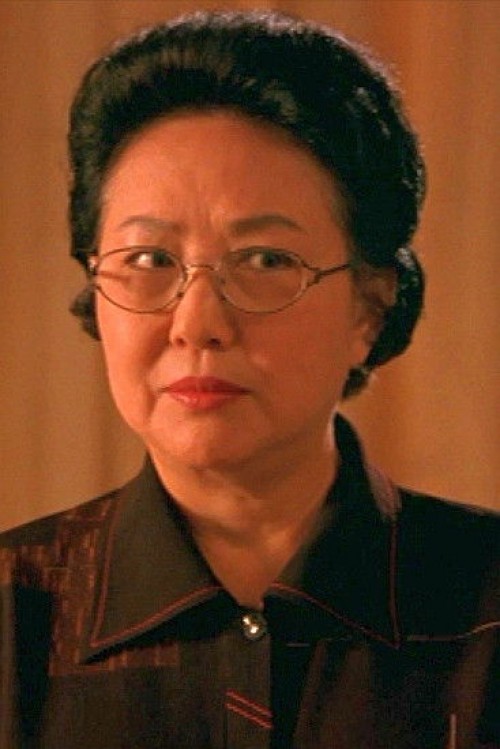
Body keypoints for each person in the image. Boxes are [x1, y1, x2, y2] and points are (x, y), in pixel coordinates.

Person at [0, 9, 498, 749]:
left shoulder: (484, 606)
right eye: (149, 260)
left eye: (266, 260)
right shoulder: (15, 615)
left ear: (369, 307)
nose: (197, 322)